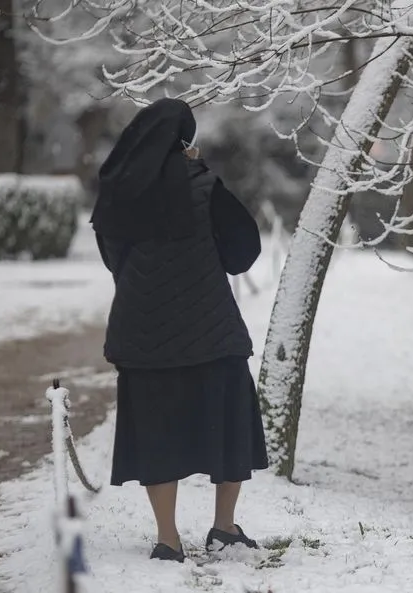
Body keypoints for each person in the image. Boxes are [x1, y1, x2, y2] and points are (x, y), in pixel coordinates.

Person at [92, 98, 269, 562]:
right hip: (210, 330)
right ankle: (224, 527)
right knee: (228, 424)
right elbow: (243, 253)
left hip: (142, 335)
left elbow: (114, 261)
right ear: (185, 143)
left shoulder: (114, 192)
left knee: (156, 433)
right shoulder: (203, 186)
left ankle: (168, 540)